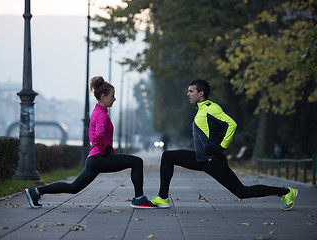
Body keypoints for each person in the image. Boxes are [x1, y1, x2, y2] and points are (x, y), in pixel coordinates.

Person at [150, 79, 298, 211]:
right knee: (168, 156)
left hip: (212, 161)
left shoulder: (211, 108)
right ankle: (163, 198)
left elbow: (231, 124)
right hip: (199, 159)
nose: (188, 94)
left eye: (191, 91)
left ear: (201, 93)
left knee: (242, 192)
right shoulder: (201, 109)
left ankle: (285, 192)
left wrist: (221, 147)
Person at [25, 76, 157, 209]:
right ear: (103, 96)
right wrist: (103, 149)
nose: (114, 99)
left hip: (94, 159)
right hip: (99, 158)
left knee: (73, 188)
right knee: (136, 162)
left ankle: (36, 192)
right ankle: (139, 199)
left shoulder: (98, 112)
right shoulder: (101, 115)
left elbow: (97, 134)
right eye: (112, 96)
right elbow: (99, 134)